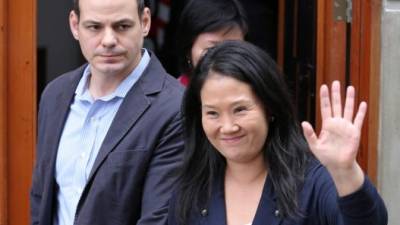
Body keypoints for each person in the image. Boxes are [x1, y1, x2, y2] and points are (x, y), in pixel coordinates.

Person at [168, 41, 387, 225]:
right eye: (213, 113)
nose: (227, 127)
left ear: (269, 107)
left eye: (240, 110)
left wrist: (345, 173)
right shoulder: (191, 187)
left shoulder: (311, 181)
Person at [30, 0, 184, 225]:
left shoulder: (175, 108)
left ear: (145, 22)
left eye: (122, 26)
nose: (109, 40)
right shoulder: (55, 95)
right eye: (95, 27)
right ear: (75, 25)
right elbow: (41, 198)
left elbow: (158, 219)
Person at [176, 0, 248, 85]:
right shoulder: (173, 96)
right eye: (211, 49)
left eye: (233, 49)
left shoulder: (257, 94)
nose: (224, 59)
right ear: (188, 51)